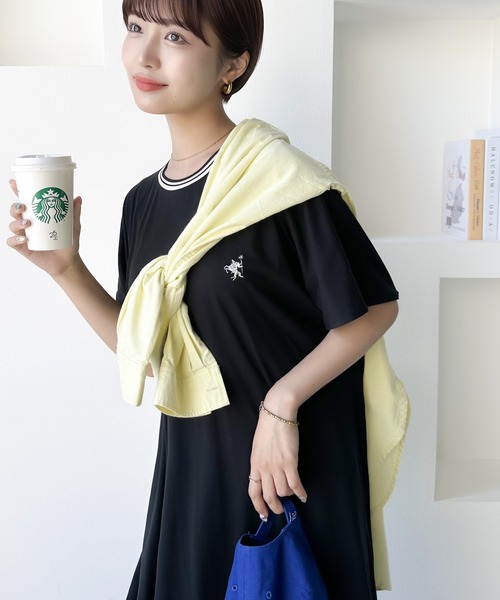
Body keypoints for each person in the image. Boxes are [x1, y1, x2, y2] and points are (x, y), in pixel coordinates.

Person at [7, 0, 409, 598]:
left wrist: (282, 404)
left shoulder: (281, 181)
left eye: (174, 36)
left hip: (287, 474)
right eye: (136, 29)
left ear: (233, 65)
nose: (144, 55)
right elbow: (149, 354)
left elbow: (375, 305)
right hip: (194, 475)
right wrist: (66, 269)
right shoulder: (142, 204)